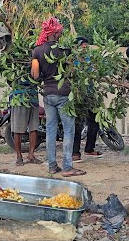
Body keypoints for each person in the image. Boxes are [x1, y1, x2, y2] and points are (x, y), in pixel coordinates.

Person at [31, 17, 86, 177]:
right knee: (69, 130)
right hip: (64, 94)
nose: (62, 33)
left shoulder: (37, 50)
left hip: (48, 95)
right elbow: (74, 71)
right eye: (60, 31)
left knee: (50, 130)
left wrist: (44, 74)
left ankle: (52, 166)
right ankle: (68, 167)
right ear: (55, 33)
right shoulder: (65, 50)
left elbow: (34, 75)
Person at [72, 36, 102, 163]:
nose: (85, 49)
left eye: (86, 47)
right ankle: (75, 152)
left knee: (94, 120)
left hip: (90, 95)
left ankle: (89, 148)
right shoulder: (72, 61)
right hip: (77, 95)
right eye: (82, 47)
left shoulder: (90, 60)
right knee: (77, 124)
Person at [10, 77, 42, 166]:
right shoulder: (15, 64)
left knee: (34, 128)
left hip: (33, 99)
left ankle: (31, 155)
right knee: (18, 129)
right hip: (19, 99)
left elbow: (39, 79)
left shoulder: (36, 64)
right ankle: (19, 156)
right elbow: (10, 80)